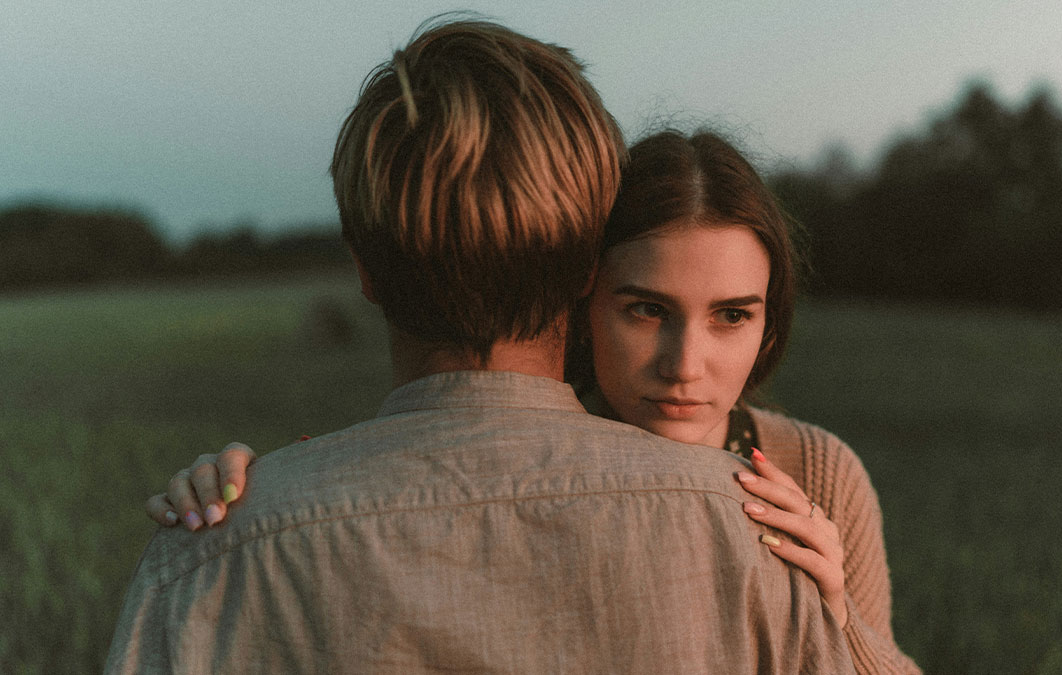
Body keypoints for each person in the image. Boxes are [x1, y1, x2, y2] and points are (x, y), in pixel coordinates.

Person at [107, 17, 855, 674]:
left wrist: (263, 500)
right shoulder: (760, 540)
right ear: (589, 267)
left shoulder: (202, 560)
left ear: (364, 271)